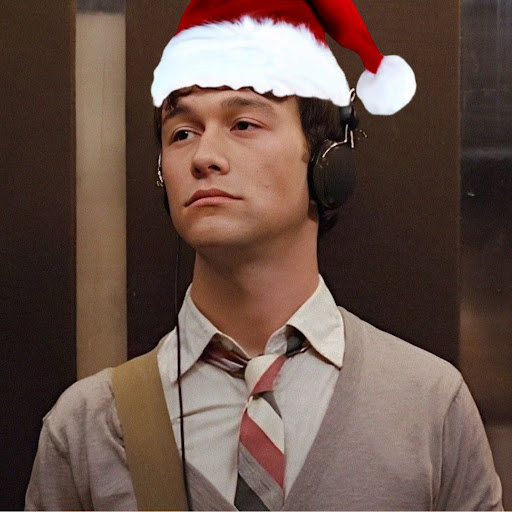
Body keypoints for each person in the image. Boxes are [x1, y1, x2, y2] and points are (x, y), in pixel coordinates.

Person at [26, 0, 503, 510]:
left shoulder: (429, 406)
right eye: (182, 133)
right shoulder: (86, 430)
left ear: (326, 162)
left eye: (244, 124)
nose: (204, 157)